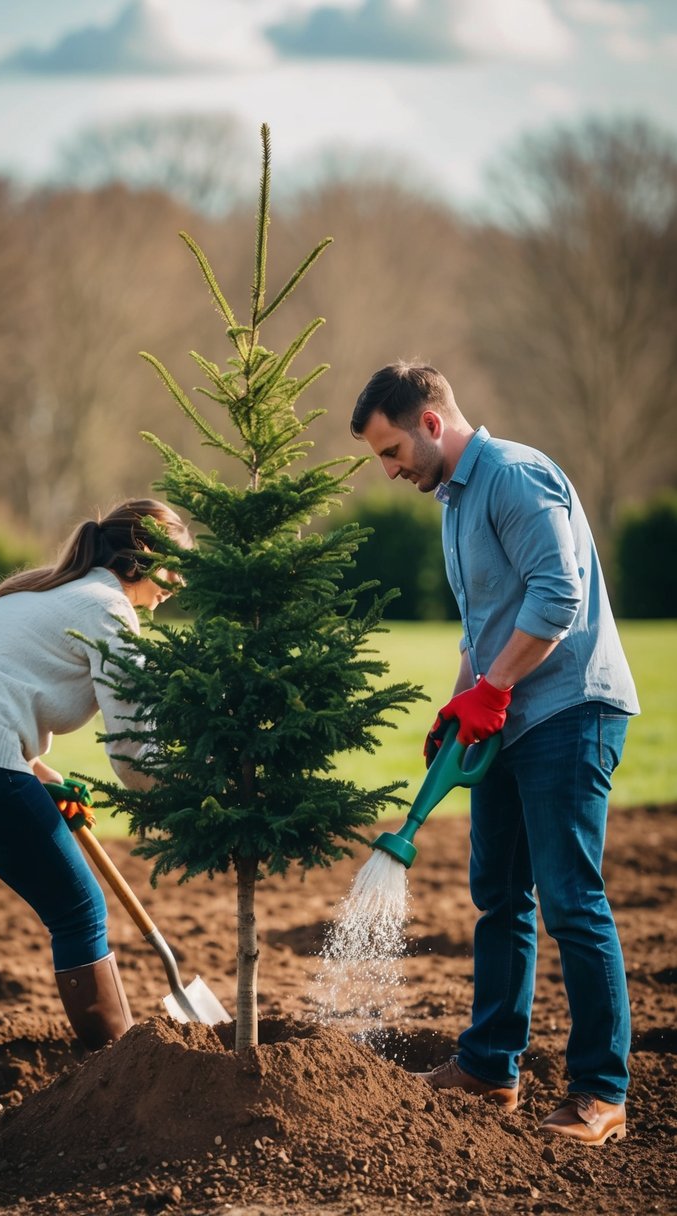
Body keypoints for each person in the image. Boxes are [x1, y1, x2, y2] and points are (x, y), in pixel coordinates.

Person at [350, 361, 639, 1146]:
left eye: (390, 451)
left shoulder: (513, 476)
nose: (389, 470)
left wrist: (496, 687)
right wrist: (460, 701)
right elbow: (484, 626)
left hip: (569, 709)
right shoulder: (453, 502)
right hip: (507, 716)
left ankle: (599, 1093)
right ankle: (488, 1069)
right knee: (499, 895)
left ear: (430, 423)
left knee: (570, 899)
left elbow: (556, 597)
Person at [0, 498, 191, 1140]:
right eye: (175, 570)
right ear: (148, 558)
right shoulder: (109, 611)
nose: (176, 587)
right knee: (79, 911)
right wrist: (195, 797)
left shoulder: (34, 592)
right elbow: (135, 756)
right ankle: (122, 1098)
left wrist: (44, 780)